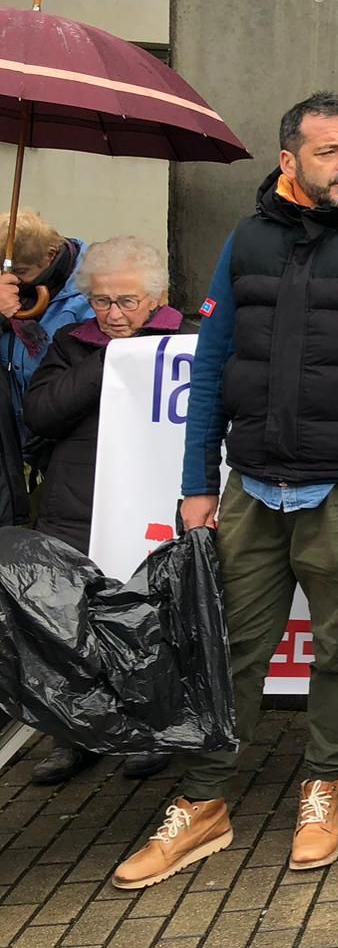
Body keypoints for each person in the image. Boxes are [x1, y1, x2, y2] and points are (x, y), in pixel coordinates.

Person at [112, 92, 338, 890]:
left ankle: (323, 787)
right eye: (330, 150)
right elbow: (211, 365)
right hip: (252, 490)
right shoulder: (246, 243)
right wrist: (198, 482)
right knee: (228, 649)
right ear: (288, 159)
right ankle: (203, 803)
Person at [22, 236, 179, 785]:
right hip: (77, 510)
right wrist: (112, 360)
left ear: (157, 297)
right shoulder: (73, 343)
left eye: (127, 302)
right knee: (68, 630)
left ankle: (150, 732)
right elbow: (41, 412)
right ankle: (74, 738)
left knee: (148, 622)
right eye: (102, 302)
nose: (113, 314)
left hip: (153, 508)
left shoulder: (186, 342)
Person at [0, 210, 93, 426]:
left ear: (50, 255)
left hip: (61, 426)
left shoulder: (92, 292)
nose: (12, 280)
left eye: (21, 271)